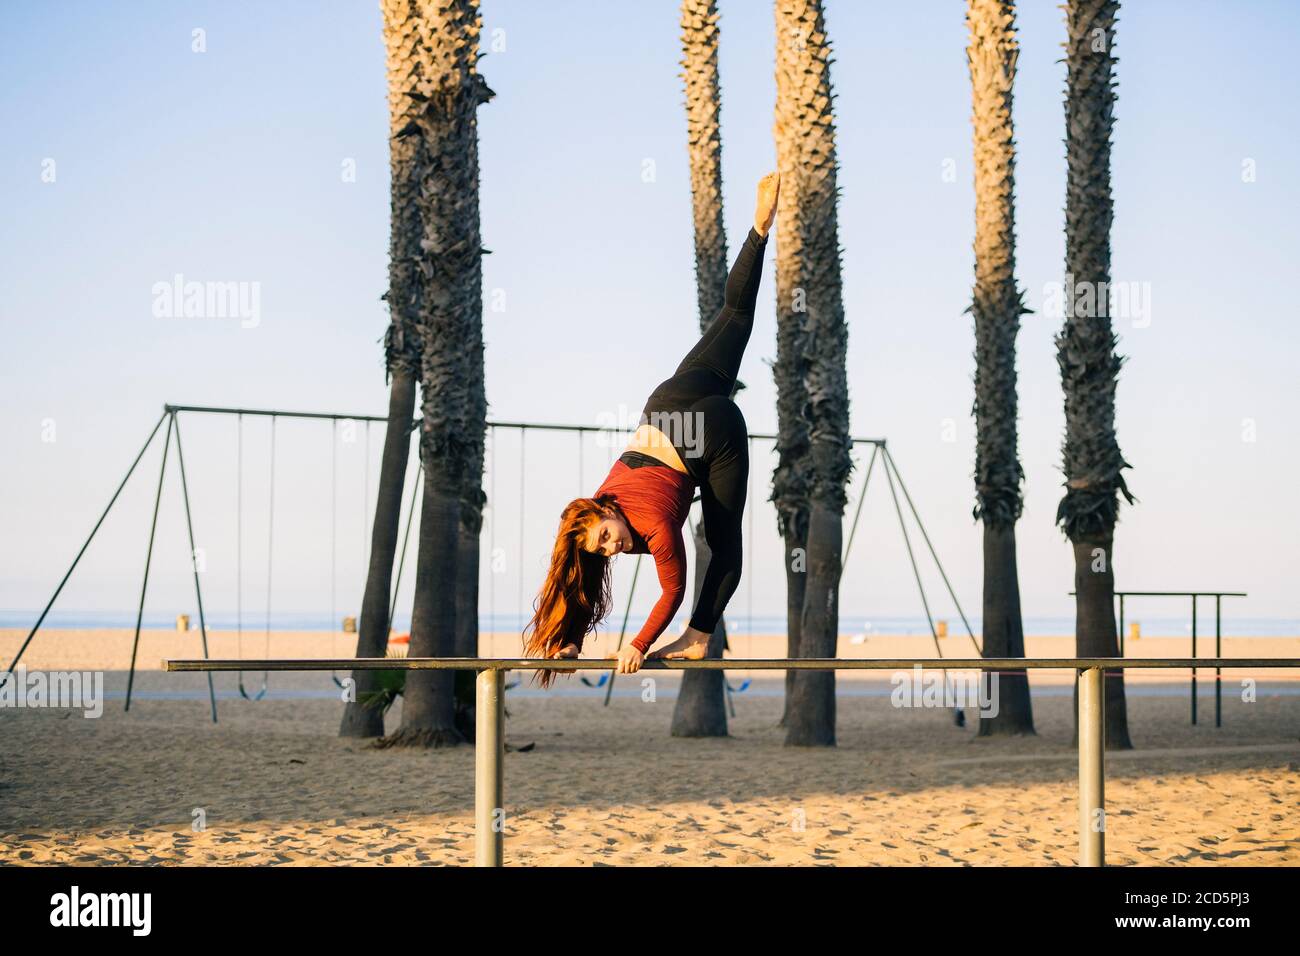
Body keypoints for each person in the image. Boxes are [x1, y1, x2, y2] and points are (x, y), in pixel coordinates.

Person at [523, 172, 779, 684]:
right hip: (667, 408)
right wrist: (568, 640)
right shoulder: (596, 520)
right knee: (734, 317)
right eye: (602, 546)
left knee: (725, 547)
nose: (611, 547)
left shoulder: (658, 529)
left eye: (605, 538)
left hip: (710, 430)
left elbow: (672, 590)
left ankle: (699, 637)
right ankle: (760, 227)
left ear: (602, 512)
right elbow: (580, 580)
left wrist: (639, 644)